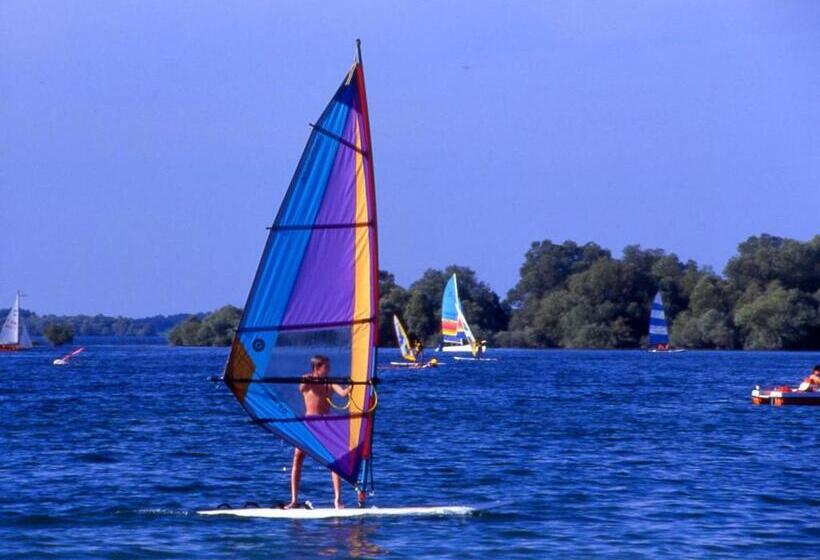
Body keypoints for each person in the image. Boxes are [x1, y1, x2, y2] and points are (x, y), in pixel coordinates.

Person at [284, 355, 351, 509]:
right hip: (309, 423)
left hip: (325, 424)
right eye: (326, 367)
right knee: (297, 458)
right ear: (316, 368)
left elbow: (343, 393)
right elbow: (302, 388)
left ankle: (337, 500)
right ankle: (294, 500)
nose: (329, 369)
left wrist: (352, 386)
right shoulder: (307, 379)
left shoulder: (329, 382)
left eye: (329, 367)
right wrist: (311, 380)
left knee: (334, 460)